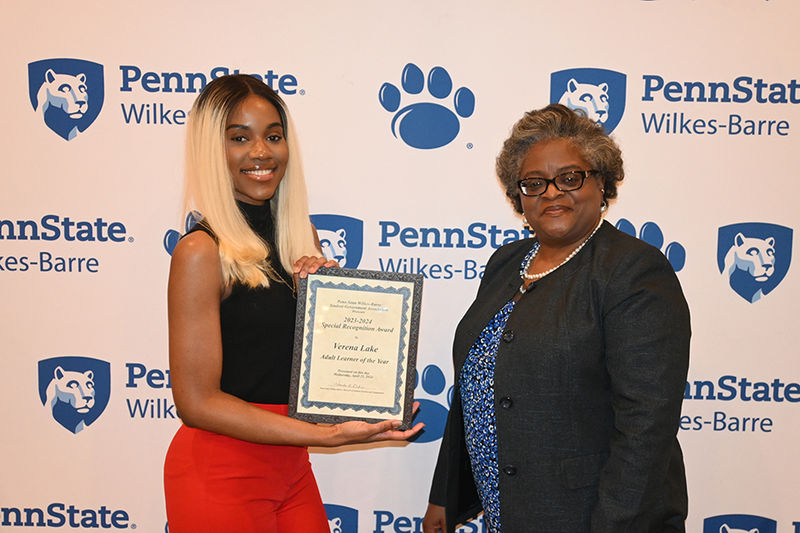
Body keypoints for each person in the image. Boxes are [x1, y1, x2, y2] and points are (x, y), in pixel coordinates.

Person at [164, 74, 422, 533]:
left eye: (273, 136)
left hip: (290, 470)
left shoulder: (299, 243)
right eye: (240, 138)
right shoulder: (200, 252)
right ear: (210, 149)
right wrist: (326, 435)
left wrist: (334, 315)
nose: (262, 151)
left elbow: (317, 373)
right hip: (220, 472)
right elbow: (197, 403)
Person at [422, 104, 690, 533]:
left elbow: (646, 428)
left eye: (570, 177)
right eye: (534, 183)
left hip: (590, 516)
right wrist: (445, 495)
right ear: (518, 195)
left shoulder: (633, 270)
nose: (551, 193)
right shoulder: (505, 263)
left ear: (601, 182)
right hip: (506, 510)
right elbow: (477, 380)